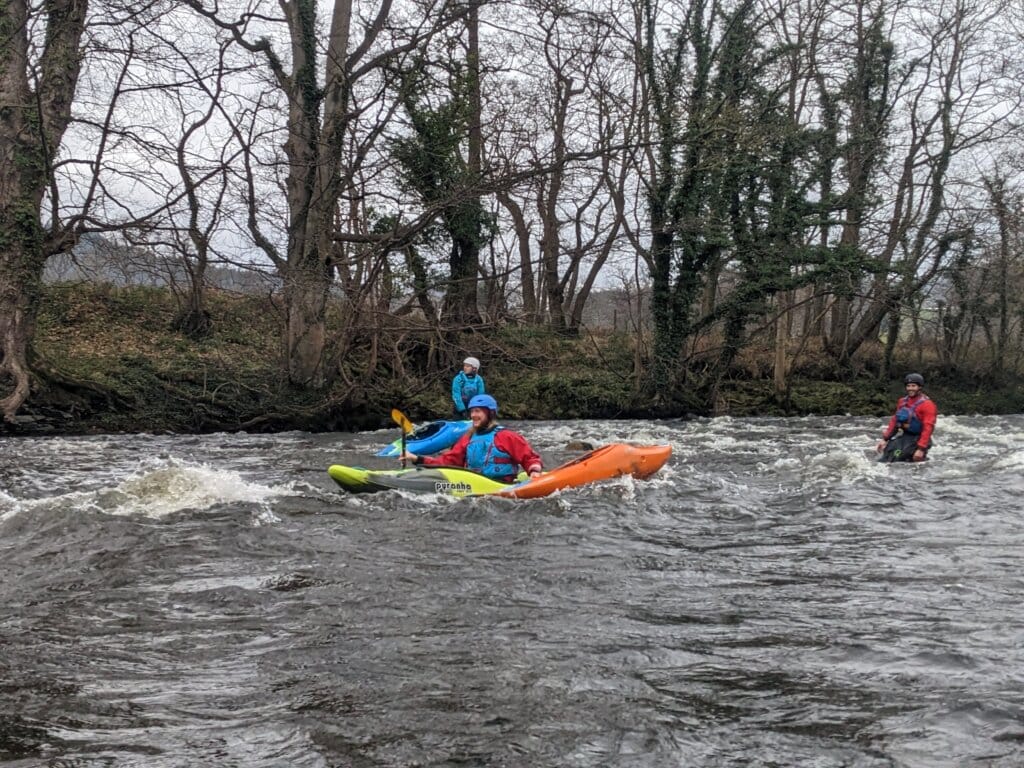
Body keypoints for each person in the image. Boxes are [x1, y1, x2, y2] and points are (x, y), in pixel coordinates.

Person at [402, 394, 543, 482]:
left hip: (502, 484)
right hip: (474, 484)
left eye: (478, 411)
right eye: (472, 411)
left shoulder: (506, 436)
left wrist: (534, 472)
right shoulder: (468, 437)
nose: (473, 415)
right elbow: (448, 461)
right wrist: (417, 458)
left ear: (490, 414)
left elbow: (529, 457)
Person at [875, 373, 937, 462]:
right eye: (908, 386)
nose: (910, 388)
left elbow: (928, 427)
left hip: (918, 439)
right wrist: (885, 439)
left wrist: (921, 449)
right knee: (887, 454)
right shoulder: (902, 402)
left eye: (913, 386)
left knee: (899, 457)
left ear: (919, 387)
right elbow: (895, 421)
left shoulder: (928, 405)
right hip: (906, 437)